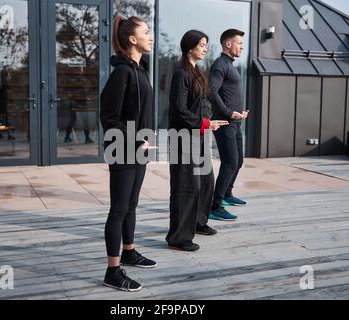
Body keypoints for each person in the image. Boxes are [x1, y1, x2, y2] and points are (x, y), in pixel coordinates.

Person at [100, 15, 155, 292]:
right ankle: (112, 270)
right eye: (146, 31)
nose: (151, 35)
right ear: (132, 39)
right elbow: (109, 118)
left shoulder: (139, 70)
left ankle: (130, 252)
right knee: (118, 210)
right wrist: (135, 140)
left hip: (138, 150)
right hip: (123, 150)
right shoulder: (121, 73)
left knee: (131, 205)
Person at [166, 30, 229, 252]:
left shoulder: (197, 72)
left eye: (205, 45)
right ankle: (178, 237)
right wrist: (203, 124)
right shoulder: (181, 74)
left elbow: (205, 102)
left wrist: (213, 120)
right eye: (202, 45)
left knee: (205, 182)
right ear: (190, 46)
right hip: (182, 139)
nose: (205, 48)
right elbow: (178, 111)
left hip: (198, 137)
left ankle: (199, 223)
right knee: (186, 187)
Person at [209, 29, 249, 221]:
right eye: (239, 42)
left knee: (238, 161)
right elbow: (211, 92)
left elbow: (227, 94)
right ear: (227, 44)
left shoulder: (230, 65)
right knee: (230, 162)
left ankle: (227, 194)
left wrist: (240, 113)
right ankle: (215, 205)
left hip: (236, 121)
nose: (242, 46)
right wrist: (227, 112)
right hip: (225, 122)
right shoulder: (220, 65)